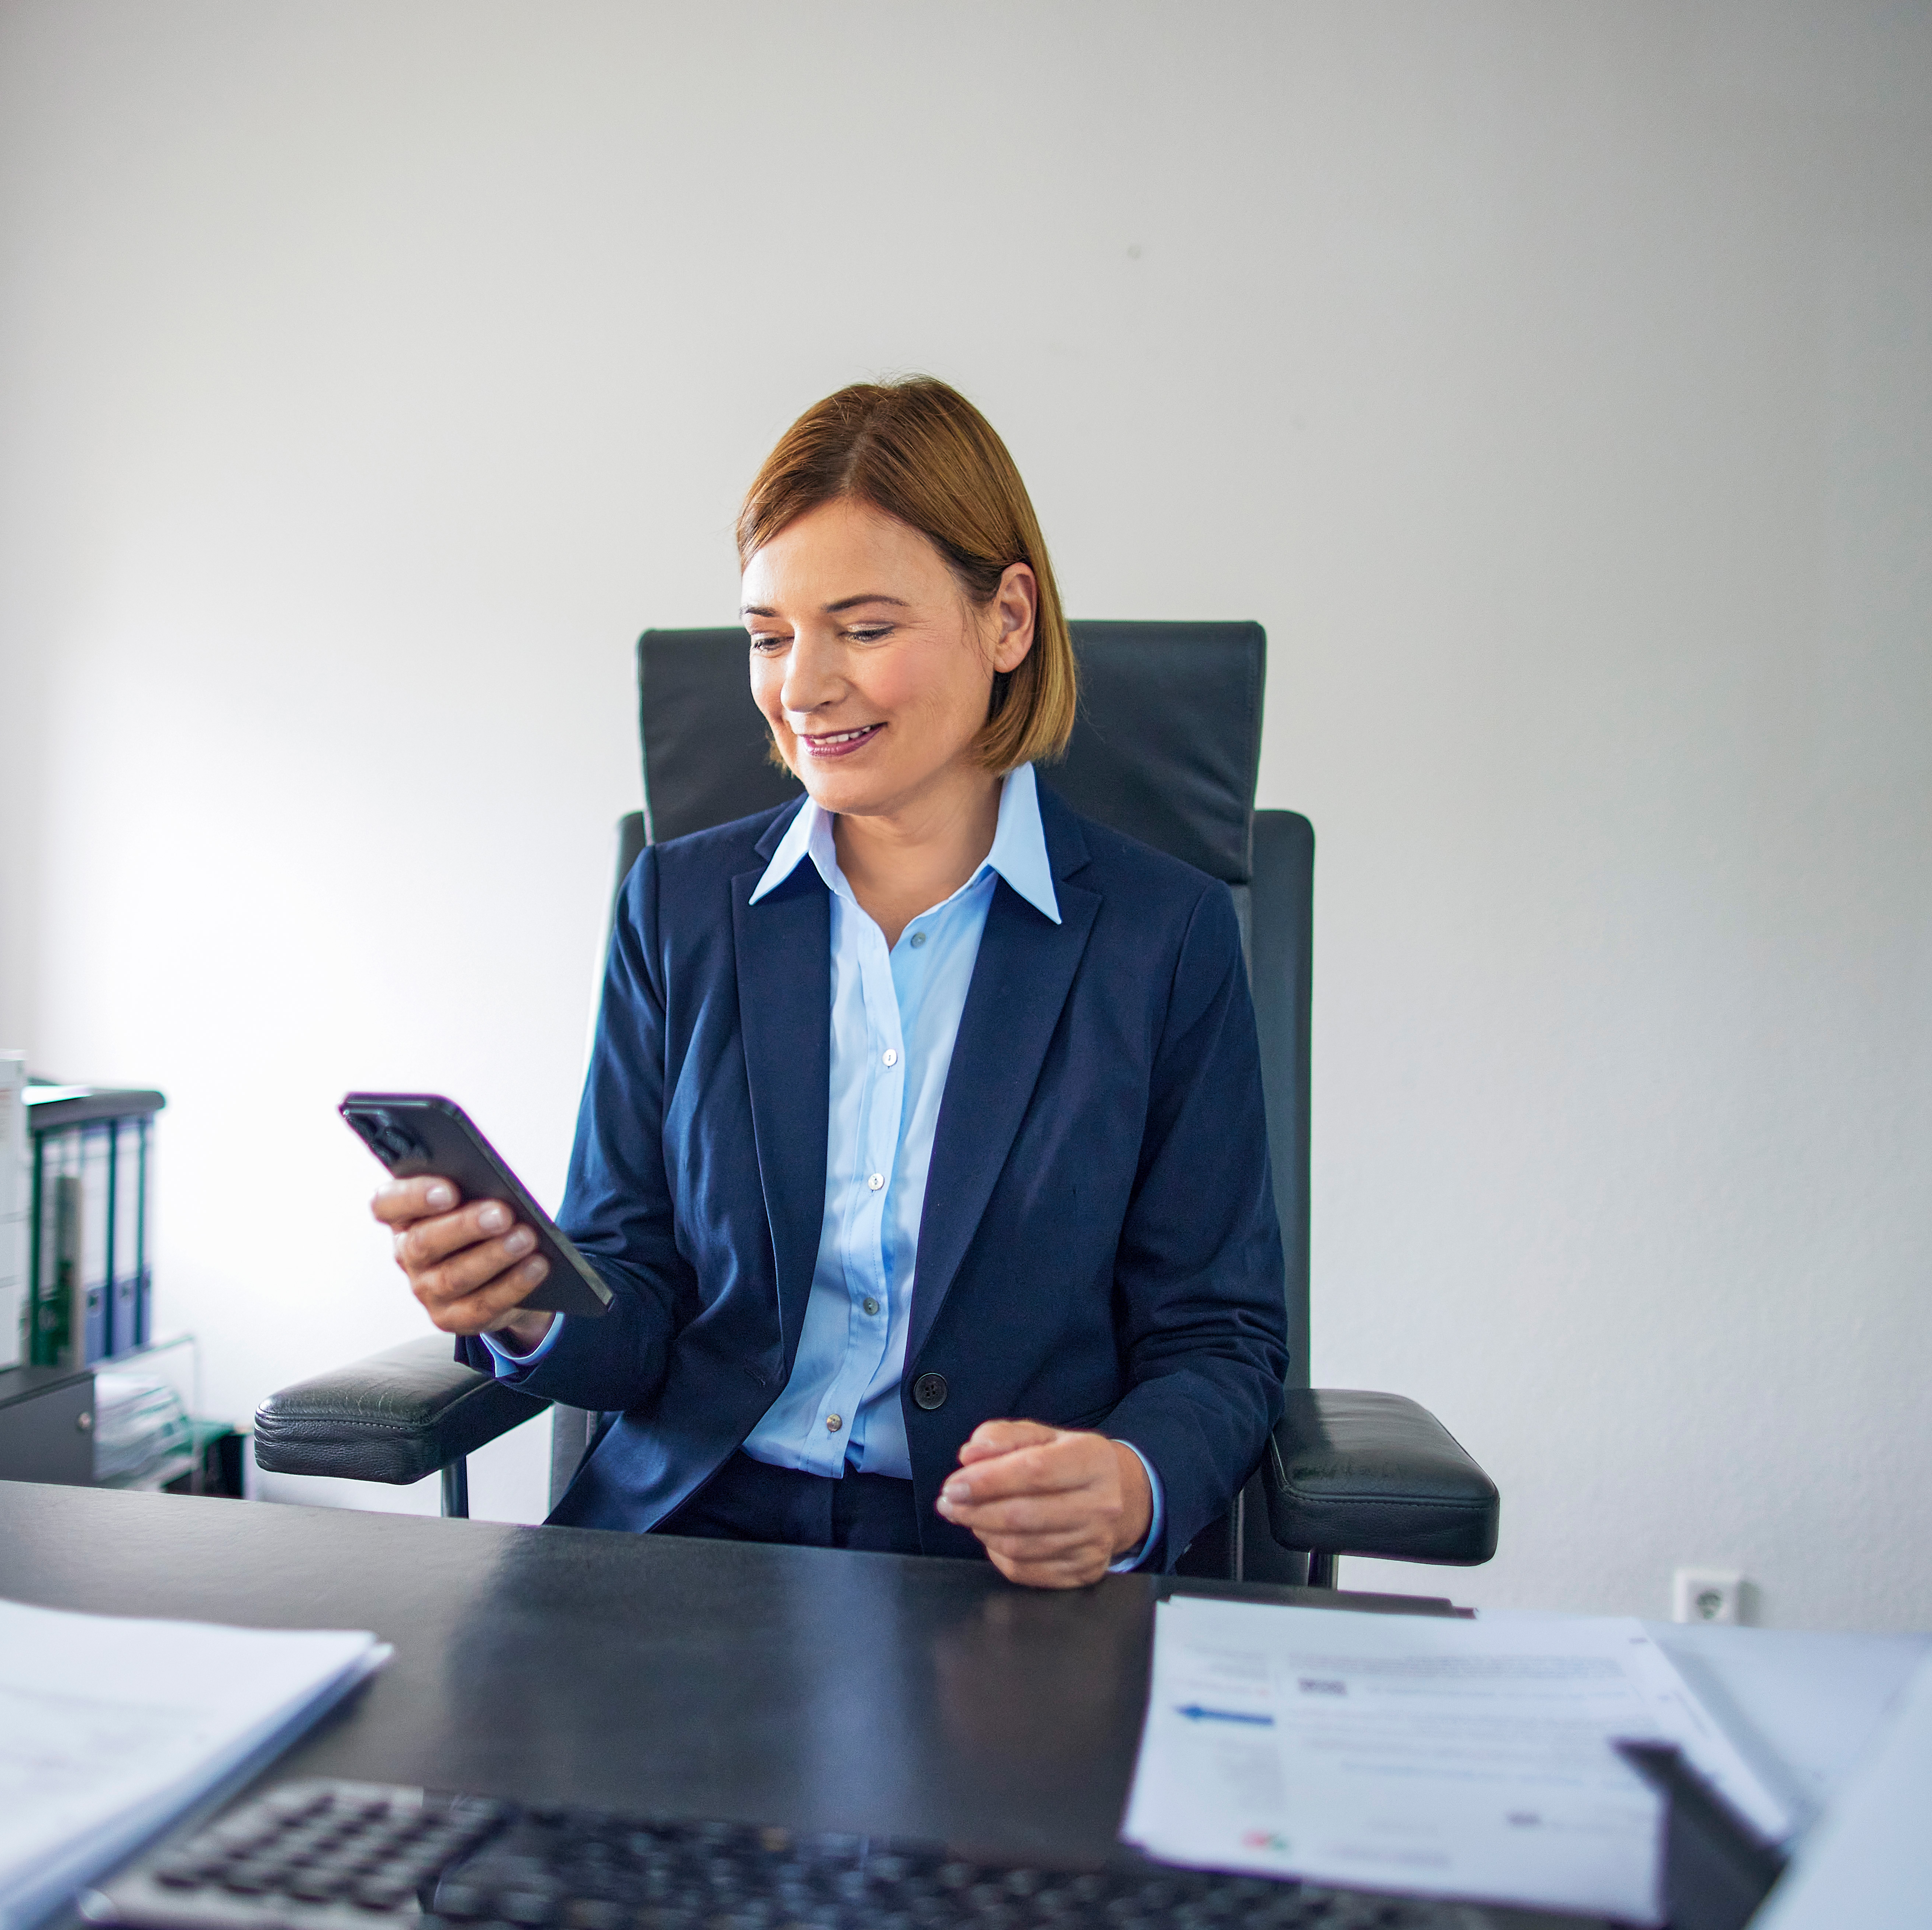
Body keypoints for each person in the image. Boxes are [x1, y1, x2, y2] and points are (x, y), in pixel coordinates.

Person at [371, 377, 1291, 1587]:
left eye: (862, 629)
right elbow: (634, 1296)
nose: (801, 688)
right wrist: (531, 1308)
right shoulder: (679, 906)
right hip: (690, 1548)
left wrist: (1128, 1482)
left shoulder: (1162, 939)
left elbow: (1217, 1338)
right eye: (769, 635)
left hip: (990, 1577)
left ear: (1008, 621)